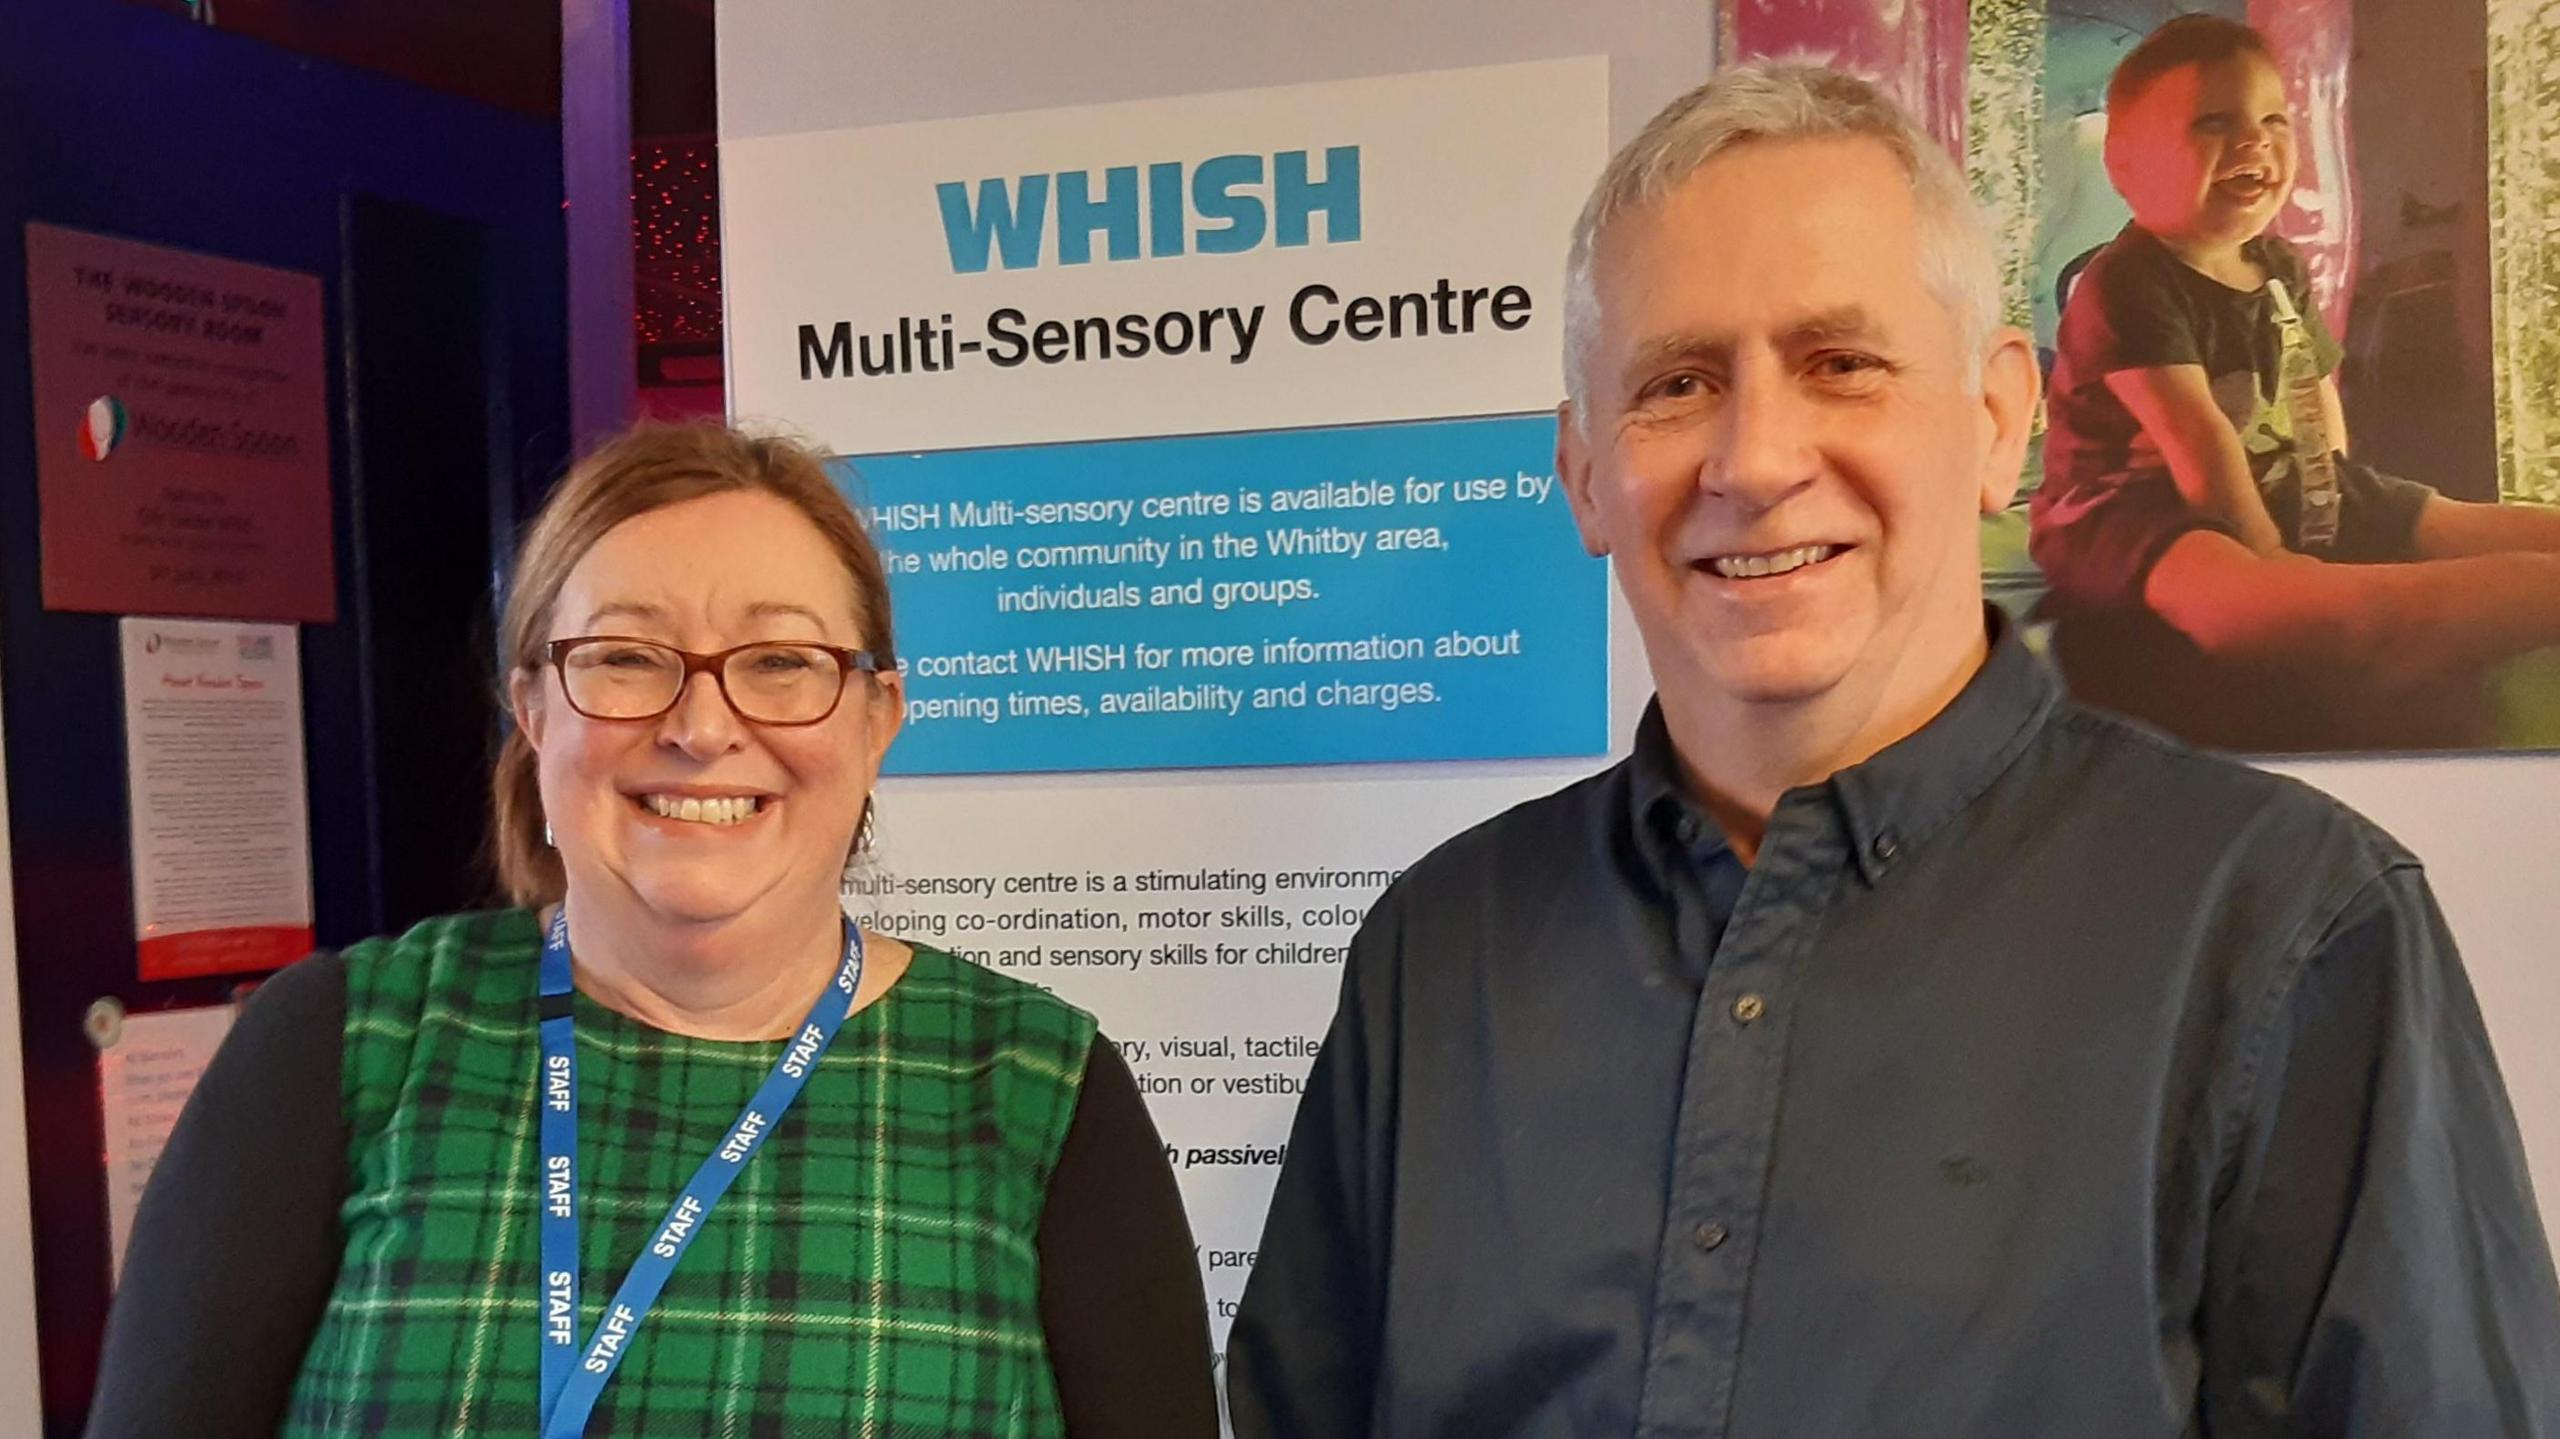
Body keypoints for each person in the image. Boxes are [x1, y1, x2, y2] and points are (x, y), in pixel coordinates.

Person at [1228, 63, 2560, 1438]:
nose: (1754, 457)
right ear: (1583, 476)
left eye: (1840, 363)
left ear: (1997, 420)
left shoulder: (2289, 927)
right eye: (1678, 382)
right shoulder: (1440, 948)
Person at [87, 423, 1218, 1438]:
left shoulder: (1035, 1087)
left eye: (783, 662)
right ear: (532, 709)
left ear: (879, 720)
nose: (700, 725)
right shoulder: (345, 1042)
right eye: (626, 657)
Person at [2031, 14, 2560, 750]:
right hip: (2140, 513)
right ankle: (2402, 621)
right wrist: (2272, 559)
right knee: (2244, 603)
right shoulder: (2127, 281)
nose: (2254, 142)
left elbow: (2311, 388)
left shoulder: (2275, 264)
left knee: (2452, 517)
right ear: (2124, 166)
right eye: (2214, 123)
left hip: (2280, 479)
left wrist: (2336, 502)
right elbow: (2197, 435)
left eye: (2273, 119)